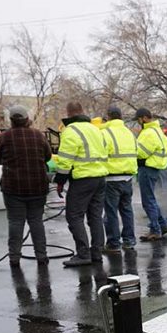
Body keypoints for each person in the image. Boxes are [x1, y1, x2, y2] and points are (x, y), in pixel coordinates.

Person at [0, 105, 52, 268]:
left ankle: (14, 258)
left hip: (13, 188)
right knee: (36, 221)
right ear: (27, 119)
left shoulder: (4, 137)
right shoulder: (38, 136)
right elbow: (47, 156)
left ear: (11, 120)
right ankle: (41, 256)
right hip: (38, 187)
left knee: (15, 222)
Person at [54, 102, 108, 267]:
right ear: (82, 112)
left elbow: (64, 161)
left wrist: (60, 181)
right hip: (100, 178)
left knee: (75, 216)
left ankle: (83, 254)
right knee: (95, 217)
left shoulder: (70, 131)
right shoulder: (95, 129)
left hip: (83, 179)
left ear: (68, 113)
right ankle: (97, 253)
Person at [102, 106, 138, 253]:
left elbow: (100, 153)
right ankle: (129, 241)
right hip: (128, 177)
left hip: (111, 178)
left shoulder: (105, 133)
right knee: (127, 210)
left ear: (108, 117)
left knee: (111, 212)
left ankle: (113, 243)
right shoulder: (129, 133)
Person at [135, 107, 167, 241]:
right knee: (151, 199)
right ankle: (163, 224)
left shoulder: (147, 133)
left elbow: (140, 152)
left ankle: (155, 230)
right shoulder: (158, 131)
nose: (139, 122)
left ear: (144, 117)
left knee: (148, 201)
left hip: (147, 168)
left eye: (139, 119)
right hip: (158, 168)